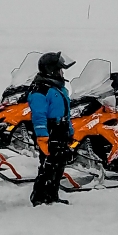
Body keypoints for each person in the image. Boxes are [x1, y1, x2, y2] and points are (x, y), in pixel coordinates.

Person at [27, 51, 75, 206]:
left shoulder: (58, 88)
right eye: (60, 70)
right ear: (52, 70)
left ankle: (52, 196)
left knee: (59, 165)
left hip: (61, 129)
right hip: (49, 130)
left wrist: (70, 130)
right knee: (48, 166)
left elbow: (66, 112)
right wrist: (42, 136)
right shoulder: (40, 90)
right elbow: (38, 115)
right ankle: (39, 198)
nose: (62, 73)